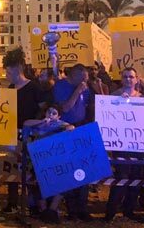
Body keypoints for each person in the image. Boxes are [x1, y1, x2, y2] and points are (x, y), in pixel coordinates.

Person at [2, 47, 45, 214]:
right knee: (11, 168)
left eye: (8, 72)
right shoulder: (9, 90)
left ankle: (33, 204)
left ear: (17, 69)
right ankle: (12, 202)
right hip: (11, 134)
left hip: (29, 135)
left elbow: (42, 109)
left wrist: (34, 124)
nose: (6, 75)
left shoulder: (34, 88)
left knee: (31, 170)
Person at [104, 68, 144, 223]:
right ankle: (111, 212)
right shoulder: (114, 96)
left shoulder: (143, 98)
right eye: (125, 77)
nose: (128, 79)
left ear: (136, 79)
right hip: (120, 143)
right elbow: (107, 116)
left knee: (136, 176)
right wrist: (117, 103)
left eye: (131, 77)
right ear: (121, 79)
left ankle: (129, 210)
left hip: (138, 144)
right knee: (121, 177)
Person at [52, 63, 93, 221]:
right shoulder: (61, 86)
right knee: (69, 169)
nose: (85, 82)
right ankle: (72, 208)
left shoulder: (85, 88)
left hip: (81, 128)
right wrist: (77, 91)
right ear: (74, 75)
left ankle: (82, 207)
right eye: (83, 78)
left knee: (84, 169)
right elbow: (66, 108)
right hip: (65, 130)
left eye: (87, 80)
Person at [23, 105, 74, 224]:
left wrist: (65, 127)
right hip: (40, 160)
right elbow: (26, 122)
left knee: (61, 184)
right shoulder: (39, 124)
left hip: (57, 161)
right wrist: (42, 122)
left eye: (54, 113)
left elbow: (71, 127)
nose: (51, 115)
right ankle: (44, 209)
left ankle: (52, 209)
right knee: (39, 184)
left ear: (59, 116)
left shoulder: (61, 124)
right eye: (49, 112)